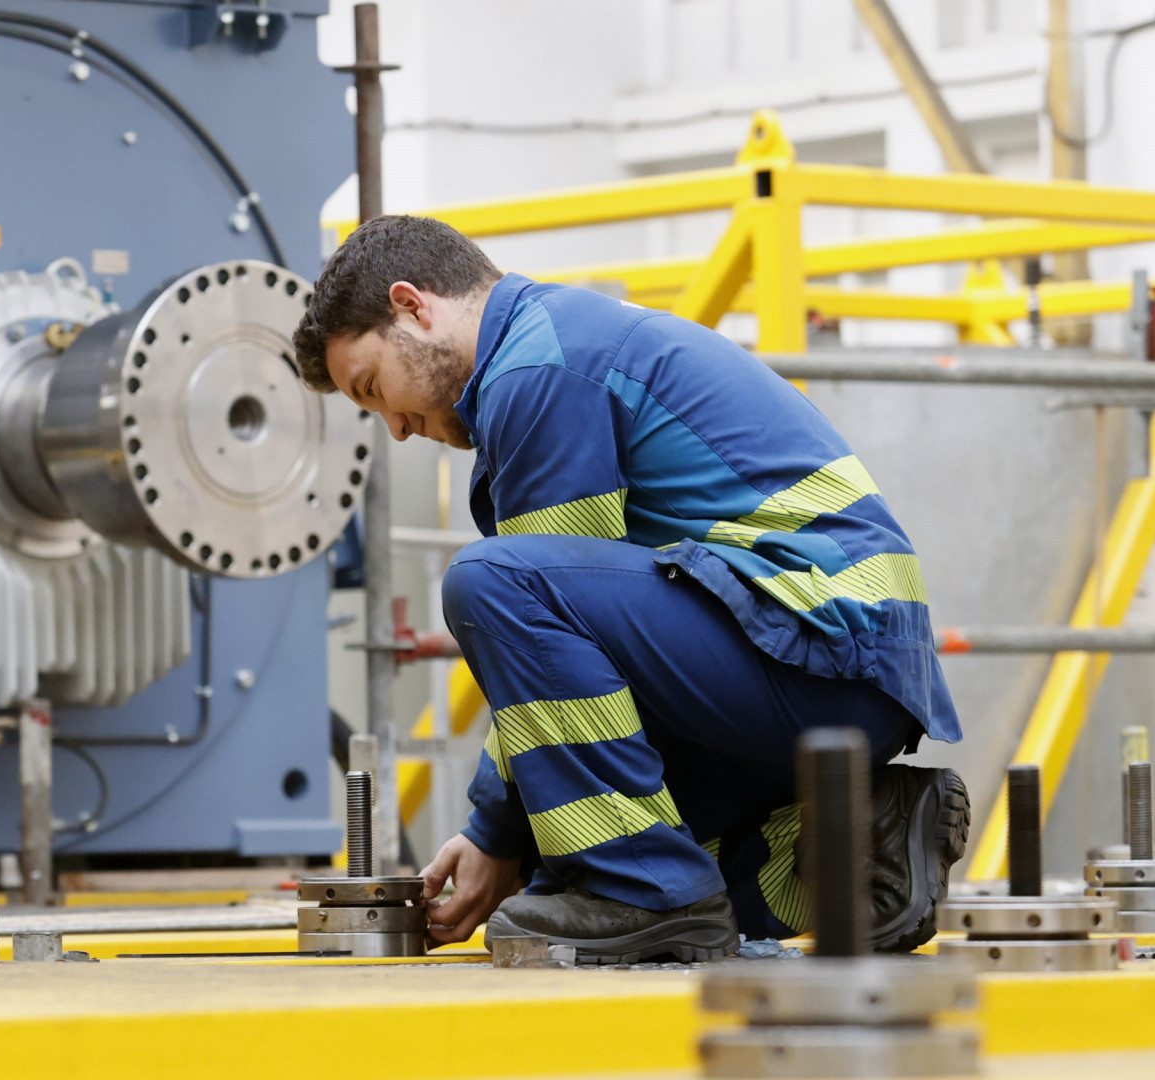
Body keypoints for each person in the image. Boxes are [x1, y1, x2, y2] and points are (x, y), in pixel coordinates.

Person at [292, 215, 968, 963]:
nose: (394, 428)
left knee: (492, 582)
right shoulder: (557, 338)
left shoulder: (537, 368)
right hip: (827, 663)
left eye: (373, 387)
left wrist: (491, 830)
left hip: (819, 643)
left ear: (413, 307)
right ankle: (867, 838)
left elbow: (533, 611)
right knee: (569, 860)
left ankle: (651, 897)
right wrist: (515, 841)